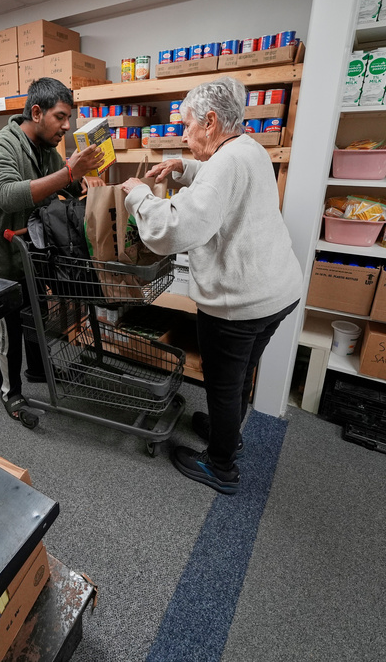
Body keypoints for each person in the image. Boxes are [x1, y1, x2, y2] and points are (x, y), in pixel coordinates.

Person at [120, 76, 302, 495]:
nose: (184, 136)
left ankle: (221, 466)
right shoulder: (249, 148)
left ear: (211, 122)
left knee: (223, 383)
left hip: (240, 303)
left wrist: (138, 196)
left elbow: (174, 230)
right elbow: (222, 181)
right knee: (239, 377)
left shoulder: (224, 164)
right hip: (278, 292)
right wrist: (184, 169)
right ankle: (228, 435)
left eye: (186, 127)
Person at [0, 77, 105, 423]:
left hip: (33, 250)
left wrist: (83, 178)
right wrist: (68, 172)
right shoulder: (0, 146)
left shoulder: (47, 150)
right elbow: (7, 194)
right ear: (36, 111)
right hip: (1, 256)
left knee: (37, 314)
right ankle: (11, 394)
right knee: (9, 329)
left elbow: (56, 189)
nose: (66, 126)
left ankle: (38, 372)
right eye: (61, 117)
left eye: (69, 118)